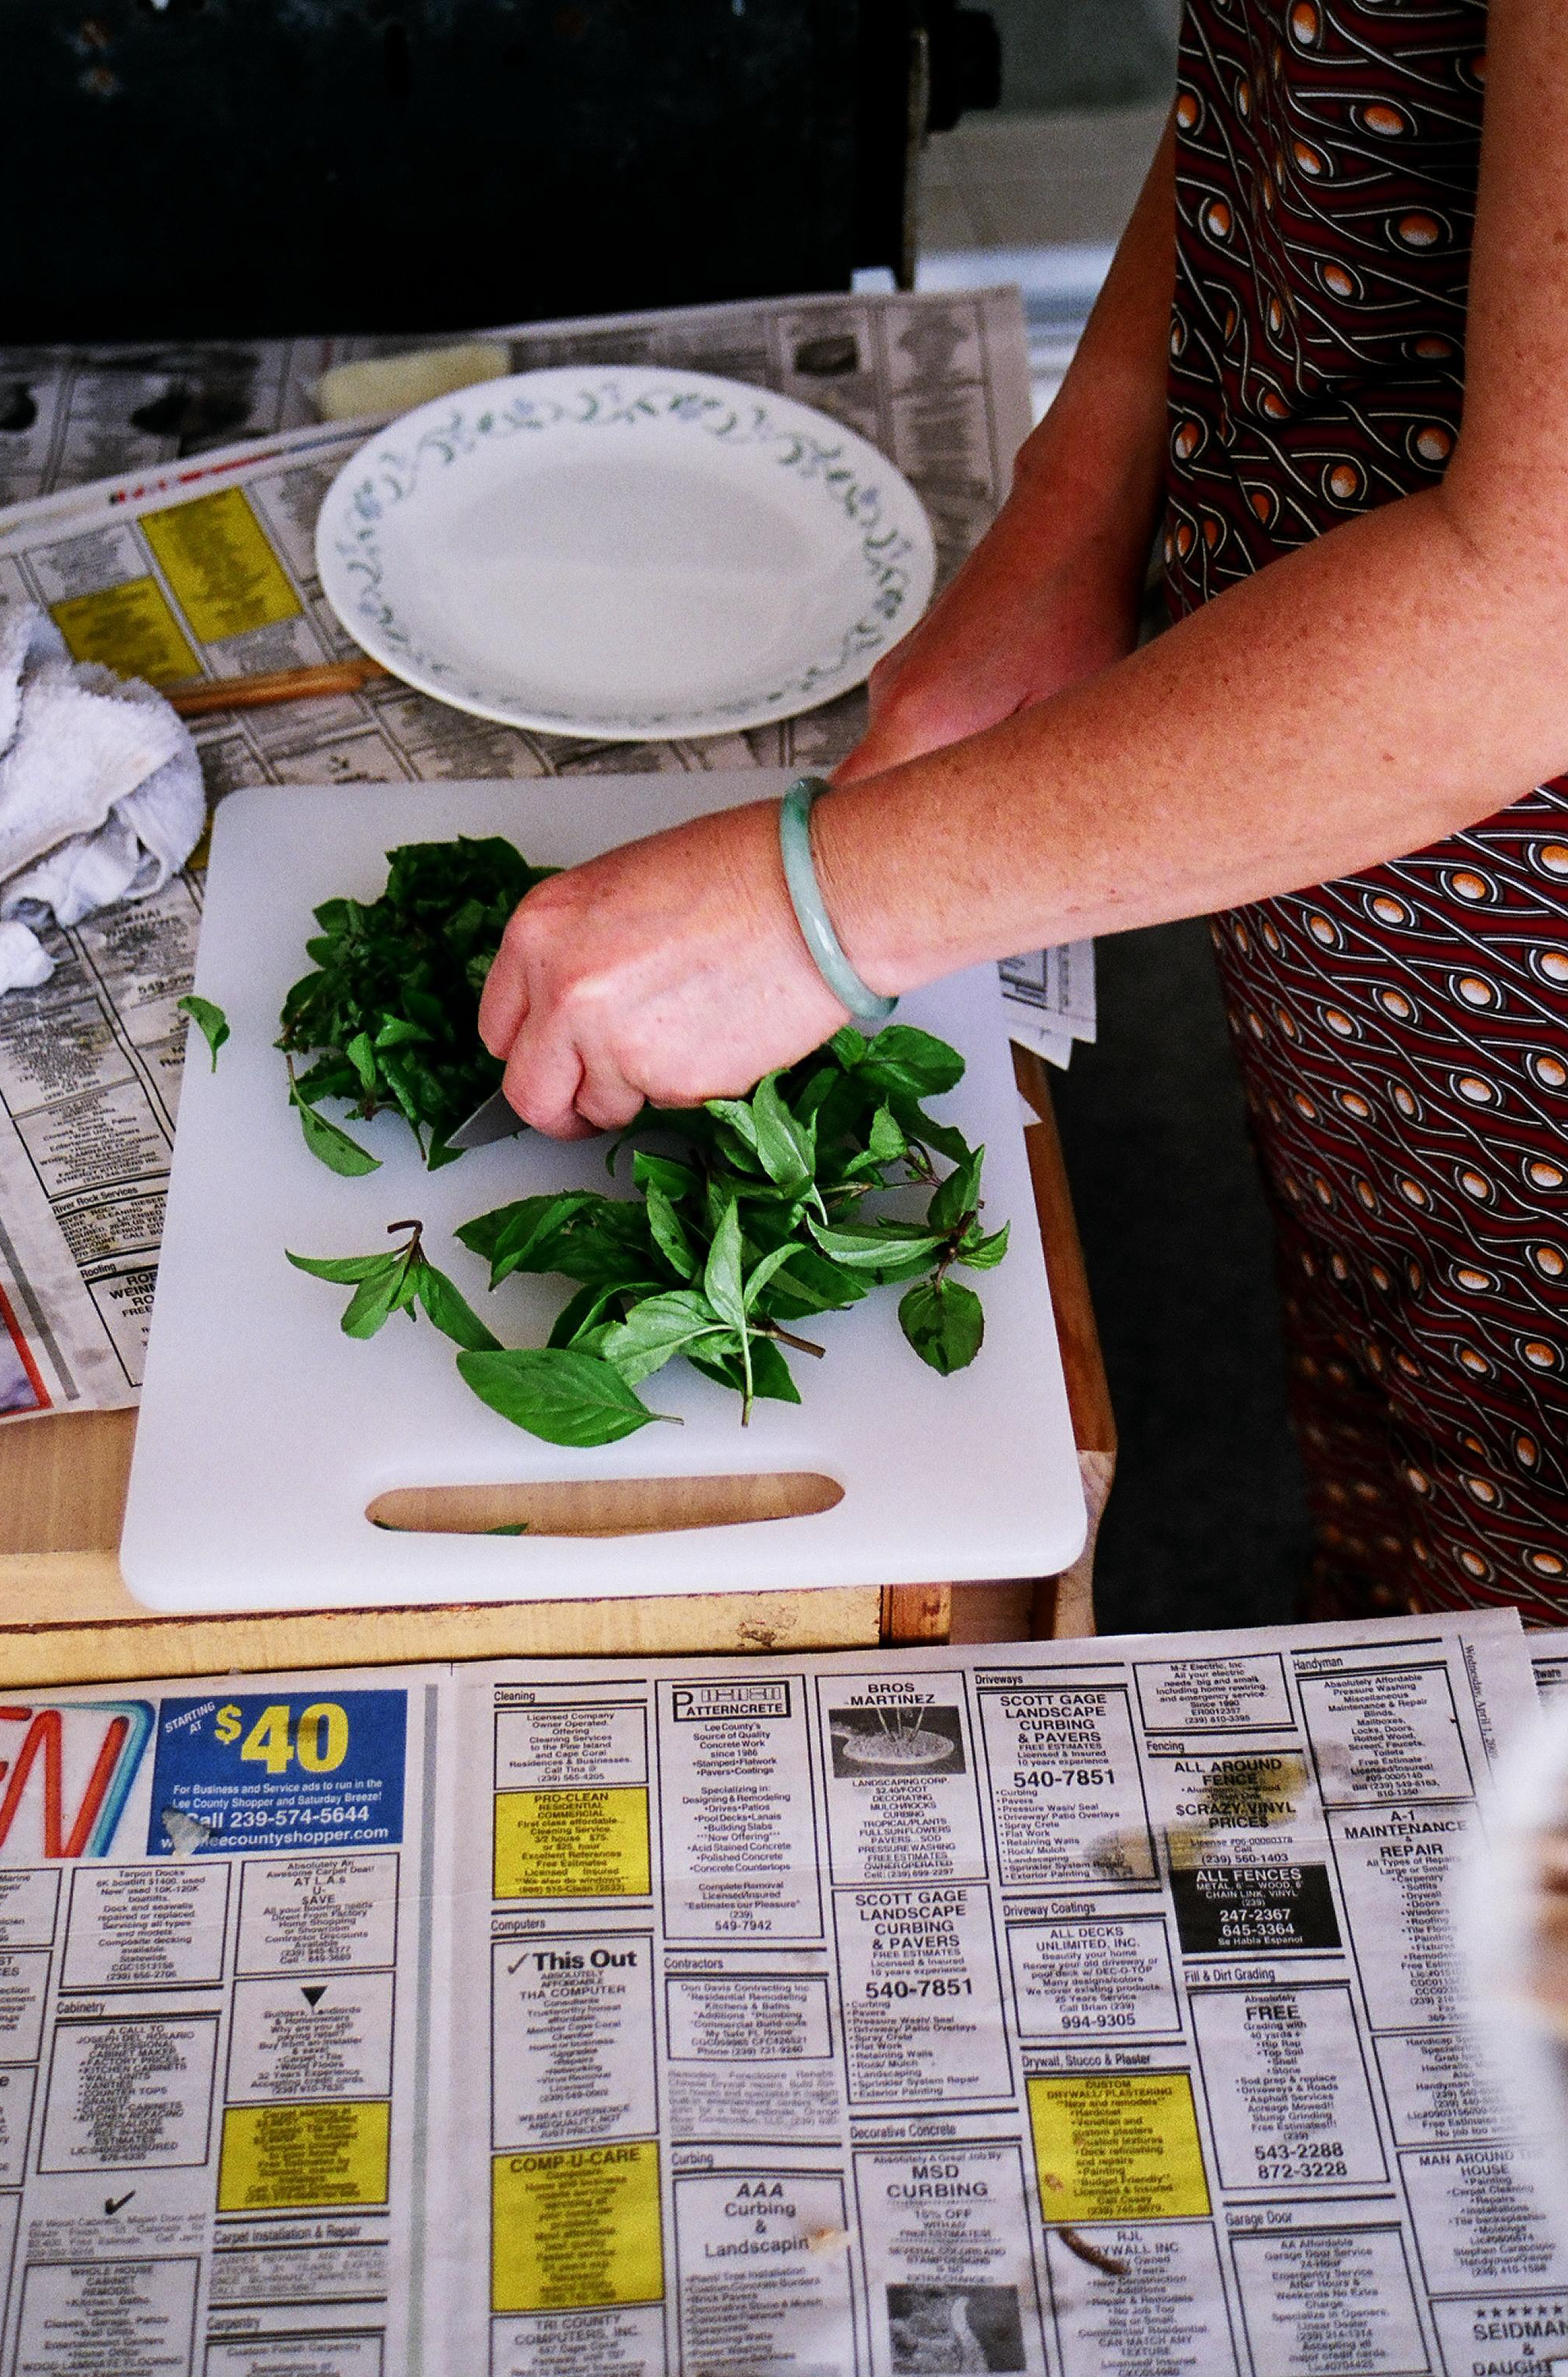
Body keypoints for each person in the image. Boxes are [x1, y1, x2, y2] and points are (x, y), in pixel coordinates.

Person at [480, 0, 1568, 1624]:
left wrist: (817, 910)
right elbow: (1300, 83)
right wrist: (1077, 511)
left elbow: (1536, 614)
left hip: (1509, 966)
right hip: (1361, 887)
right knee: (1422, 1497)